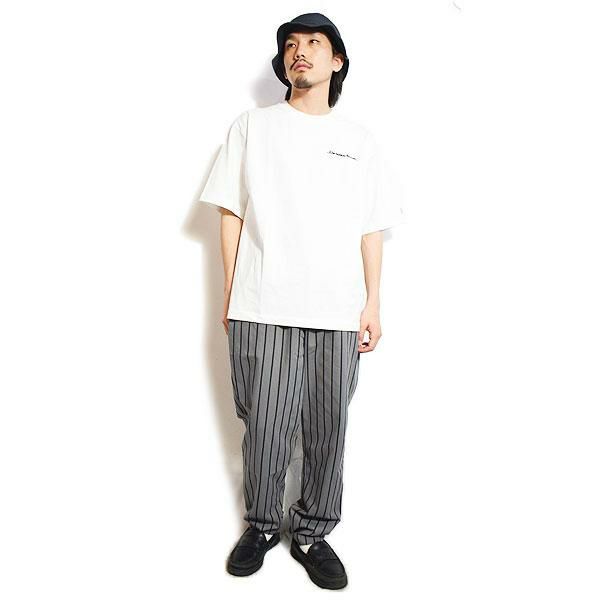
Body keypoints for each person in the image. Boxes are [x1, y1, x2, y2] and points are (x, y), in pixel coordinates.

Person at [197, 12, 405, 590]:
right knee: (264, 427)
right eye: (290, 44)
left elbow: (371, 228)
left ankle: (312, 532)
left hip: (337, 310)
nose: (300, 51)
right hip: (262, 304)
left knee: (327, 429)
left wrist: (373, 303)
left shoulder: (359, 141)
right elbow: (231, 211)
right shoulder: (253, 127)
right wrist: (230, 291)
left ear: (337, 60)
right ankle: (263, 525)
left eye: (314, 42)